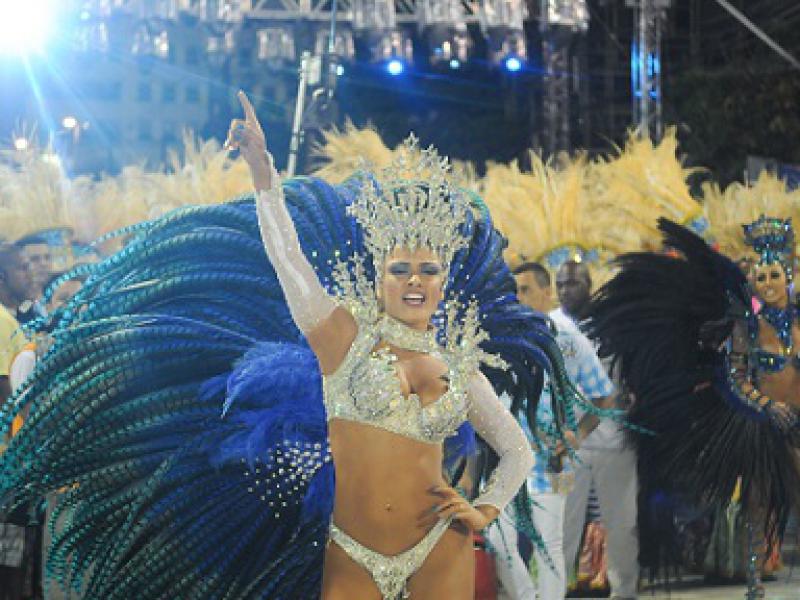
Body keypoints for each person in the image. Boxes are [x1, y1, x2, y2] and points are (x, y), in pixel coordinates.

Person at [0, 91, 584, 600]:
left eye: (428, 270)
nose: (414, 281)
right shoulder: (341, 340)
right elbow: (287, 257)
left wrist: (483, 509)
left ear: (443, 279)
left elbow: (517, 450)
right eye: (399, 269)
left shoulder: (460, 365)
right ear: (378, 277)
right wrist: (263, 171)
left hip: (440, 545)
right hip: (352, 551)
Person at [586, 217, 800, 599]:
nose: (767, 283)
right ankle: (754, 583)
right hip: (761, 425)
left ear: (789, 277)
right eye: (761, 277)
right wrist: (767, 406)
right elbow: (735, 376)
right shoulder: (747, 326)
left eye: (774, 276)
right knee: (758, 503)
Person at [505, 262, 615, 600]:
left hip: (556, 463)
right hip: (506, 461)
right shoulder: (501, 340)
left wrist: (576, 437)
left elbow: (604, 396)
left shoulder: (569, 341)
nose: (518, 297)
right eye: (514, 291)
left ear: (546, 292)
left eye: (525, 289)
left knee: (551, 543)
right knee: (498, 540)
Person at [553, 260, 640, 600]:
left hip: (614, 442)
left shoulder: (613, 324)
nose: (565, 290)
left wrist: (634, 394)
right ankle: (553, 591)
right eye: (561, 284)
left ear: (589, 285)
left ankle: (625, 591)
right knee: (560, 525)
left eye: (573, 283)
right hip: (566, 447)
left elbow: (633, 369)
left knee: (622, 524)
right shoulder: (549, 325)